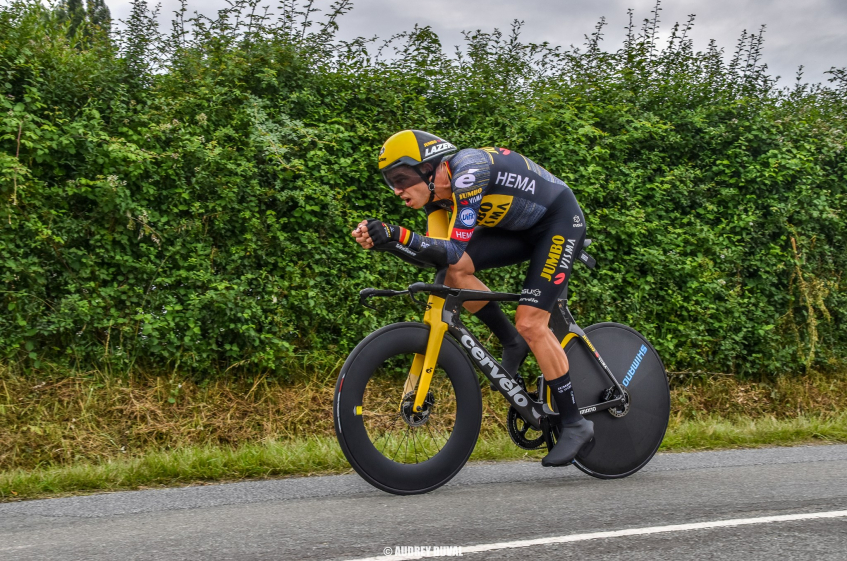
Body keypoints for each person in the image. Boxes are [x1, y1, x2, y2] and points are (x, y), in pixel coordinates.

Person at [351, 129, 593, 466]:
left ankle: (575, 422)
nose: (396, 190)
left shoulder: (468, 170)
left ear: (429, 168)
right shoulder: (438, 199)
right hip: (520, 231)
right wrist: (388, 242)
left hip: (558, 222)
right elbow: (439, 258)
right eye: (390, 181)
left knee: (532, 322)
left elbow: (450, 248)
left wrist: (397, 233)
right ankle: (512, 343)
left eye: (401, 177)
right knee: (453, 274)